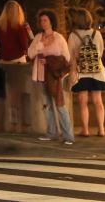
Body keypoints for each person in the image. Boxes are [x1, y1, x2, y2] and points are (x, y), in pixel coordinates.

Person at [27, 9, 74, 145]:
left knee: (60, 105)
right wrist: (38, 47)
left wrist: (51, 62)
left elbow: (67, 58)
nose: (43, 23)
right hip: (40, 75)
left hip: (54, 76)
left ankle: (68, 136)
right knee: (46, 104)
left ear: (52, 21)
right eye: (41, 20)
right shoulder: (37, 37)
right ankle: (52, 132)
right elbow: (30, 54)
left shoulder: (59, 38)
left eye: (45, 20)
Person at [68, 9, 105, 137]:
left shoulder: (73, 35)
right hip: (97, 71)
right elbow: (100, 52)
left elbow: (71, 56)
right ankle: (101, 129)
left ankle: (85, 130)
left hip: (82, 72)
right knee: (98, 101)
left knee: (82, 101)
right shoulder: (97, 34)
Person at [0, 0, 34, 133]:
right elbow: (24, 44)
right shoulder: (20, 26)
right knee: (21, 93)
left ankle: (10, 121)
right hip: (18, 61)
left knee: (9, 94)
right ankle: (20, 122)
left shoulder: (1, 26)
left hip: (5, 61)